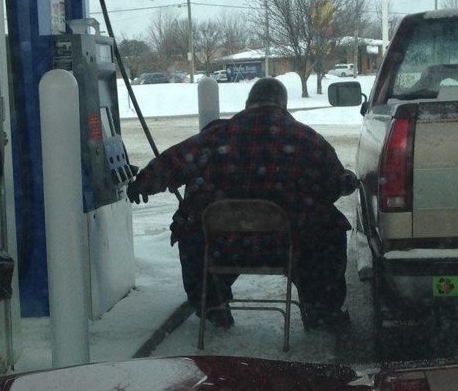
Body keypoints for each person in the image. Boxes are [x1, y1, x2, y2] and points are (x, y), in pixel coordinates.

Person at [127, 77, 357, 332]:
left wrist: (143, 184)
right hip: (289, 248)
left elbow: (172, 162)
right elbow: (334, 186)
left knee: (191, 226)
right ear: (284, 105)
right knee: (329, 231)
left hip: (223, 248)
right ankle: (321, 310)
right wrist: (346, 181)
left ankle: (211, 304)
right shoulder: (308, 139)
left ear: (248, 104)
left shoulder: (215, 136)